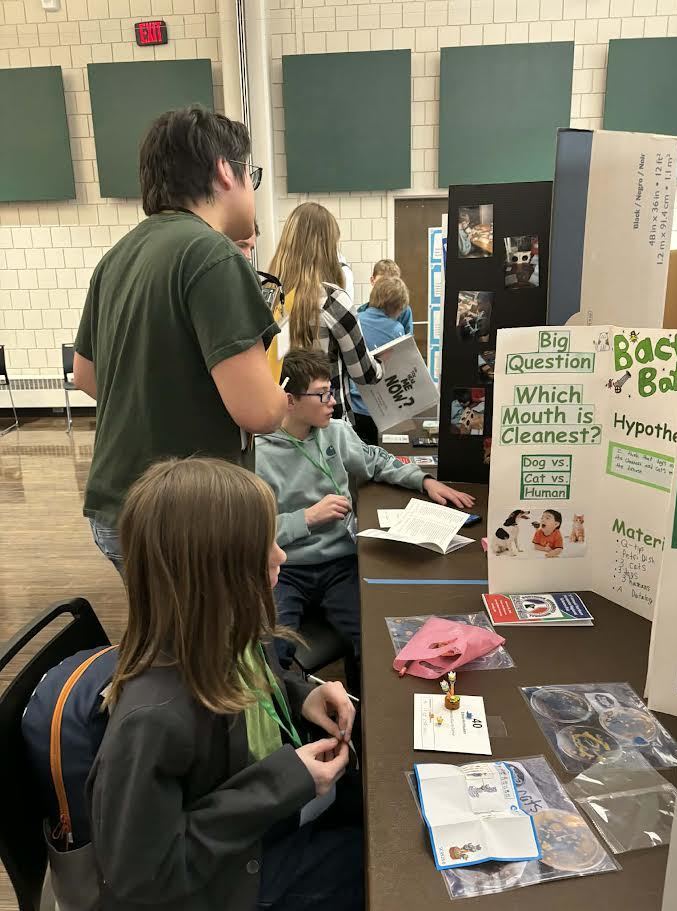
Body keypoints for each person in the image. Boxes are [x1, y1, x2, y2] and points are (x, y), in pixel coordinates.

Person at [87, 458, 363, 911]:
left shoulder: (233, 638)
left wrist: (302, 695)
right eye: (265, 546)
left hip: (267, 820)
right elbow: (144, 876)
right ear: (219, 572)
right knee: (376, 861)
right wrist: (288, 780)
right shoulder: (152, 720)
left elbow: (257, 695)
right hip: (232, 880)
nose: (282, 555)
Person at [73, 106, 287, 574]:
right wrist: (286, 398)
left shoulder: (118, 256)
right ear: (224, 172)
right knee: (211, 645)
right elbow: (260, 412)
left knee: (169, 643)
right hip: (186, 518)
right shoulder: (211, 253)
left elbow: (85, 375)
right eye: (252, 173)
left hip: (115, 508)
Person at [255, 348, 475, 667]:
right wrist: (306, 518)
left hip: (340, 562)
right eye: (322, 395)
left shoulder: (337, 432)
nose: (333, 401)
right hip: (286, 569)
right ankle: (301, 709)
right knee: (273, 649)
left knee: (372, 640)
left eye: (331, 392)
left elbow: (375, 460)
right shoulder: (260, 455)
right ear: (289, 400)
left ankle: (360, 714)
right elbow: (254, 533)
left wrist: (424, 481)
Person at [267, 202, 382, 420]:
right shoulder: (331, 300)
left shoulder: (268, 296)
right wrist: (382, 365)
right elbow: (363, 373)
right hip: (328, 425)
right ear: (327, 247)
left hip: (278, 422)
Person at [350, 277, 410, 445]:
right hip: (379, 408)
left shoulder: (355, 320)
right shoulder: (396, 330)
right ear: (399, 307)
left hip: (352, 404)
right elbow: (401, 370)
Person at [357, 259, 413, 335]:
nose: (387, 288)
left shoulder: (404, 311)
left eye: (392, 283)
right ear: (372, 280)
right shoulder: (362, 310)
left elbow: (408, 343)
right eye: (382, 282)